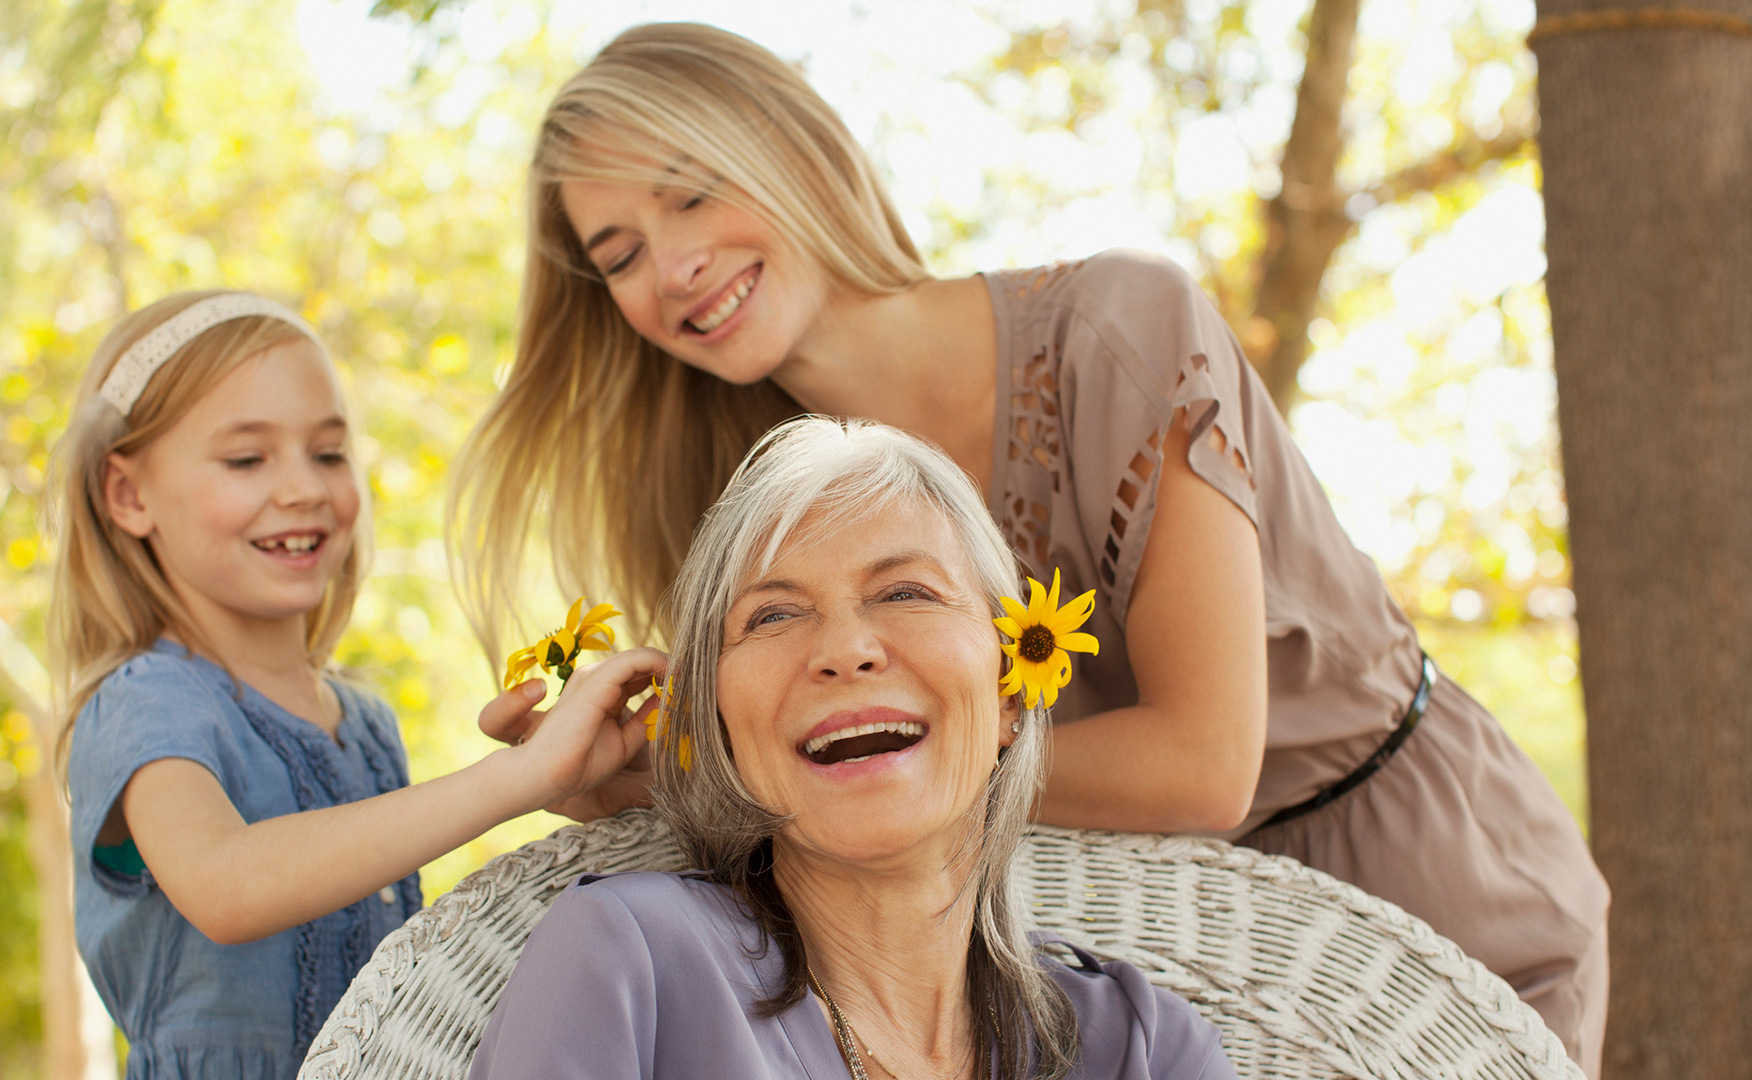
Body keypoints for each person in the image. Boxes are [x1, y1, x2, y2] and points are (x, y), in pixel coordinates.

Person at [451, 22, 1608, 1072]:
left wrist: (855, 760)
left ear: (793, 151)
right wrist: (656, 772)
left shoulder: (1121, 329)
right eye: (620, 252)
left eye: (693, 194)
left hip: (1414, 886)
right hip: (1121, 940)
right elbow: (821, 811)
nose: (674, 264)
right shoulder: (775, 503)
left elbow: (1205, 766)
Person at [470, 417, 1235, 1080]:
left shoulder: (1148, 1049)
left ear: (1010, 690)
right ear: (717, 723)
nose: (844, 649)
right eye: (772, 616)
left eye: (906, 592)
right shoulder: (626, 960)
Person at [48, 289, 662, 1079]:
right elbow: (225, 885)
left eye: (329, 454)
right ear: (129, 495)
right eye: (246, 458)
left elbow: (398, 986)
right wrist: (510, 778)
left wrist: (577, 787)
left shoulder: (367, 722)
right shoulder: (143, 701)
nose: (305, 488)